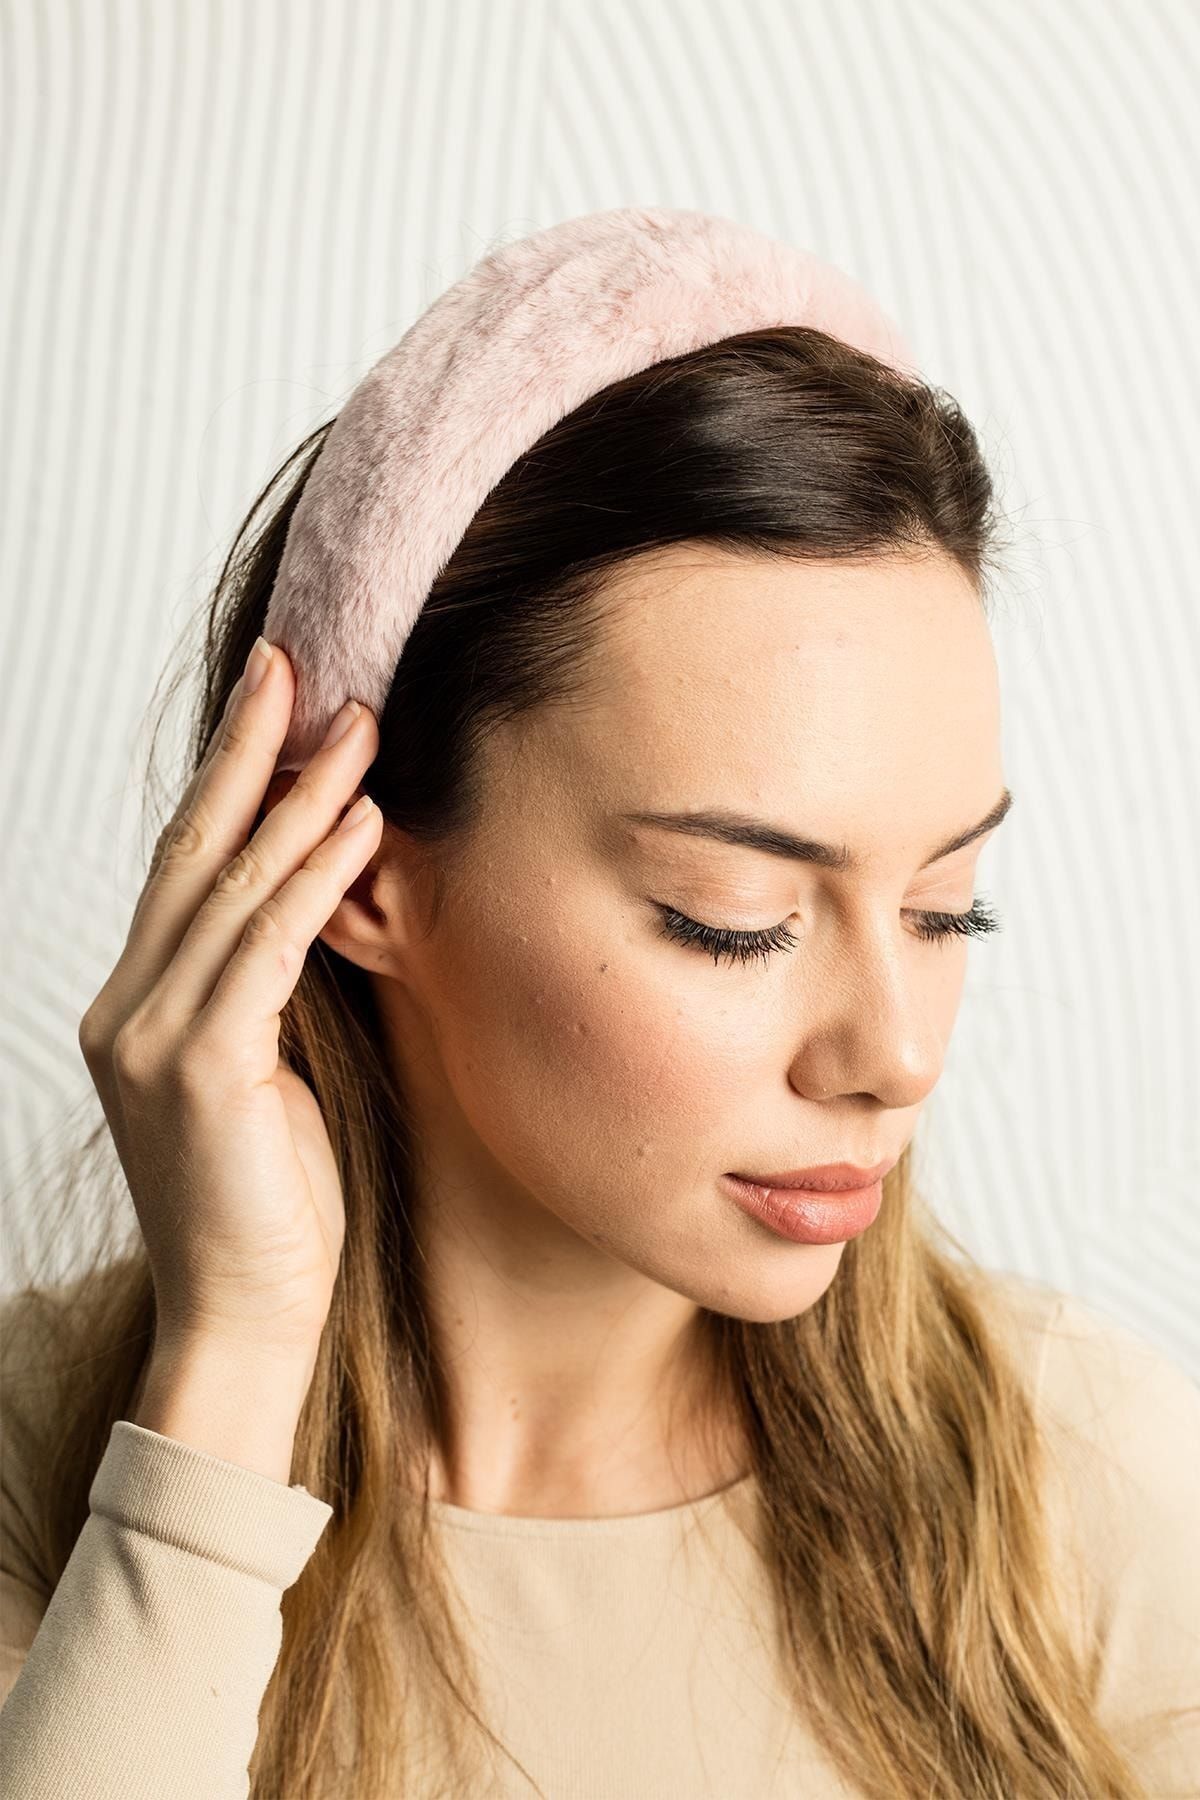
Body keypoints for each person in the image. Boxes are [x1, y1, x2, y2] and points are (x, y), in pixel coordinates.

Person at [2, 210, 1198, 1800]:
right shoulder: (32, 1465)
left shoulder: (1099, 1488)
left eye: (944, 906)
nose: (898, 1056)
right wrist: (224, 1371)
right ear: (358, 876)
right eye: (736, 920)